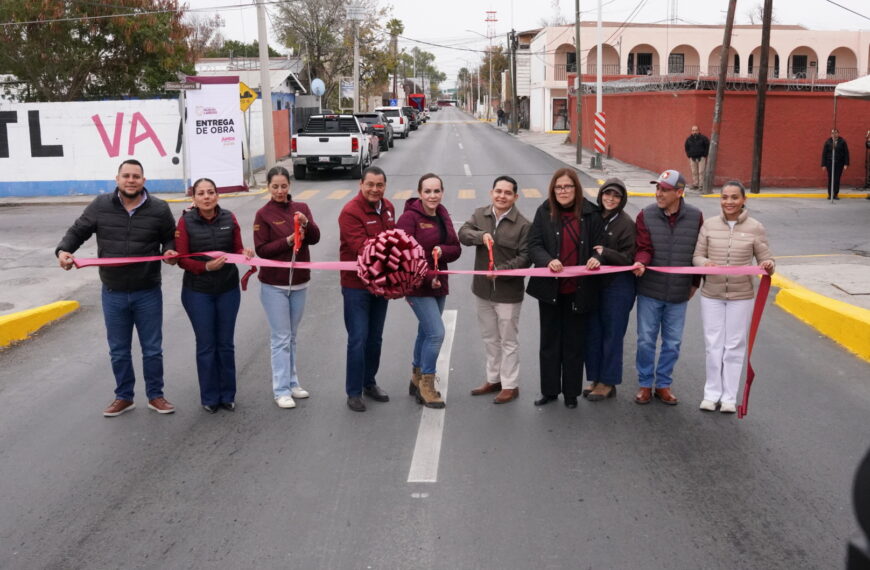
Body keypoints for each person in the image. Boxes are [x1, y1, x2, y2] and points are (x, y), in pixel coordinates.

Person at [56, 159, 178, 417]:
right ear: (117, 179)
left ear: (144, 180)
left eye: (136, 176)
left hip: (148, 291)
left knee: (152, 349)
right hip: (113, 292)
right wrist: (64, 250)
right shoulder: (101, 205)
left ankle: (155, 395)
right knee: (119, 350)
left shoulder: (159, 208)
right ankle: (124, 397)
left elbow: (170, 237)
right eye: (126, 176)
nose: (131, 180)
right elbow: (79, 231)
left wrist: (169, 251)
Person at [693, 180, 774, 413]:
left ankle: (729, 397)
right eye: (725, 197)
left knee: (734, 345)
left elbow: (767, 260)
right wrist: (705, 263)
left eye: (734, 197)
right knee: (713, 345)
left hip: (741, 295)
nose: (729, 202)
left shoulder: (755, 227)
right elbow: (697, 256)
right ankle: (711, 394)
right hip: (712, 294)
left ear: (743, 200)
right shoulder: (709, 225)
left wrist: (768, 265)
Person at [526, 168, 603, 409]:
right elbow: (534, 244)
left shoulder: (591, 213)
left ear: (576, 188)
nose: (563, 191)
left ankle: (571, 393)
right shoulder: (544, 211)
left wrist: (596, 258)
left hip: (579, 290)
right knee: (549, 342)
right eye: (558, 187)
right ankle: (549, 391)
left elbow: (600, 245)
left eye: (567, 186)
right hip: (550, 289)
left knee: (573, 343)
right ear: (553, 190)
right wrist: (548, 260)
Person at [175, 178, 254, 413]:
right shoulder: (185, 221)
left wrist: (245, 252)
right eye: (201, 193)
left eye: (210, 192)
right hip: (198, 291)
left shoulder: (229, 218)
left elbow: (237, 248)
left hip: (227, 289)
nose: (207, 197)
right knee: (206, 345)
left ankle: (228, 395)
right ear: (194, 198)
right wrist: (205, 267)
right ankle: (210, 397)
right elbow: (182, 259)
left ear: (217, 195)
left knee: (225, 344)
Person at [631, 169, 703, 406]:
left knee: (672, 343)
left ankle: (663, 384)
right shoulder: (645, 215)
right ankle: (645, 383)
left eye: (665, 190)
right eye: (657, 188)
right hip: (650, 290)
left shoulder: (696, 217)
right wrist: (641, 262)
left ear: (679, 193)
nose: (658, 193)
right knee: (645, 340)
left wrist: (695, 283)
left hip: (678, 293)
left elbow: (698, 252)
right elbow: (643, 247)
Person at [458, 175, 531, 405]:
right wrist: (481, 236)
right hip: (483, 290)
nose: (502, 196)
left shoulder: (524, 225)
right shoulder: (480, 214)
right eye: (498, 191)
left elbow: (525, 258)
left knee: (508, 340)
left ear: (515, 197)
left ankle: (510, 385)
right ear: (491, 193)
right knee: (490, 338)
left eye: (507, 193)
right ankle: (493, 379)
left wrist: (501, 271)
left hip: (508, 293)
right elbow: (463, 233)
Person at [254, 166, 320, 409]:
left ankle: (293, 383)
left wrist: (306, 224)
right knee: (281, 338)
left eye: (283, 186)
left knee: (291, 336)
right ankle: (280, 390)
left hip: (300, 281)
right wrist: (288, 241)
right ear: (268, 187)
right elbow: (262, 250)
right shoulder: (263, 214)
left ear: (289, 186)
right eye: (275, 187)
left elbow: (315, 238)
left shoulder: (301, 208)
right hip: (274, 284)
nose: (280, 191)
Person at [396, 173, 462, 409]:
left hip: (439, 283)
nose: (432, 196)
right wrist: (428, 276)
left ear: (442, 192)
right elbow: (402, 256)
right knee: (436, 333)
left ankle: (416, 377)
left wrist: (442, 250)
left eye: (436, 191)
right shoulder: (408, 218)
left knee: (425, 332)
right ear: (420, 193)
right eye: (428, 191)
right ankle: (427, 385)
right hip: (416, 284)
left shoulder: (442, 214)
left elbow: (456, 248)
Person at [339, 165, 395, 412]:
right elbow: (362, 248)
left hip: (381, 284)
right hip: (356, 286)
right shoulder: (350, 211)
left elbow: (394, 239)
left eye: (379, 185)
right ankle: (353, 392)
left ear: (385, 186)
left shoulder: (389, 208)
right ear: (361, 184)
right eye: (370, 184)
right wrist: (395, 255)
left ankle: (369, 382)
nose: (374, 189)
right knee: (358, 338)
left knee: (375, 338)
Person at [583, 178, 636, 402]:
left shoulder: (626, 223)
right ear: (600, 195)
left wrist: (605, 252)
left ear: (622, 199)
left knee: (612, 334)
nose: (611, 199)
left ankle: (608, 382)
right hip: (595, 284)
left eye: (616, 196)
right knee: (594, 332)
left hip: (619, 285)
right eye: (607, 194)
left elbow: (629, 258)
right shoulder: (594, 217)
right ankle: (596, 378)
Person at [821, 128, 849, 200]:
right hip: (830, 163)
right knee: (830, 178)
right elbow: (824, 153)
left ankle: (835, 194)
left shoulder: (842, 142)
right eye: (832, 133)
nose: (834, 134)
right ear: (831, 134)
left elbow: (846, 153)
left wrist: (846, 164)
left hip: (839, 163)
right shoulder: (828, 142)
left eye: (835, 133)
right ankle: (830, 194)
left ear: (838, 134)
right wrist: (823, 164)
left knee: (837, 179)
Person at [684, 125, 710, 191]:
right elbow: (686, 147)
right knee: (694, 172)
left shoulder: (703, 138)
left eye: (696, 130)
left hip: (701, 157)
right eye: (693, 130)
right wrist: (689, 155)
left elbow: (707, 146)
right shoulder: (689, 139)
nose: (694, 132)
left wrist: (704, 155)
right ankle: (695, 184)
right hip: (692, 158)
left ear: (698, 131)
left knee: (701, 172)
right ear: (691, 131)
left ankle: (701, 185)